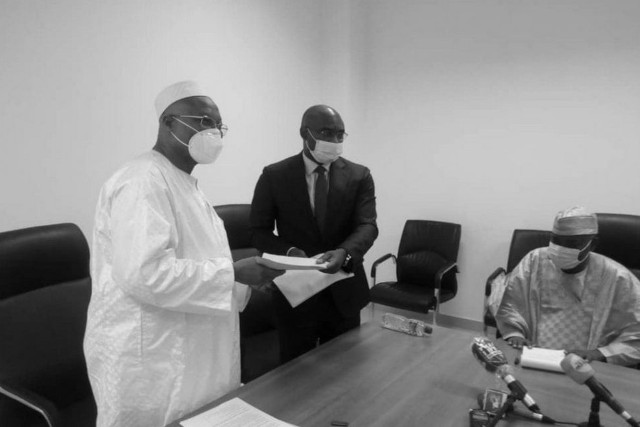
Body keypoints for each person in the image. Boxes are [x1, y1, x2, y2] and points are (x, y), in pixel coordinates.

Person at [84, 81, 283, 427]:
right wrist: (234, 274)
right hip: (151, 358)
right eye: (203, 121)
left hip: (188, 349)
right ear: (168, 123)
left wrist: (244, 282)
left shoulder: (184, 184)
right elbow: (145, 274)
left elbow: (202, 260)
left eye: (218, 125)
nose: (213, 132)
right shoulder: (142, 181)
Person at [250, 104, 378, 363]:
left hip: (343, 290)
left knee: (345, 369)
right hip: (296, 293)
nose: (334, 141)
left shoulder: (359, 175)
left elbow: (368, 226)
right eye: (326, 133)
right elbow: (258, 231)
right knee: (295, 373)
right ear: (304, 133)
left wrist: (344, 252)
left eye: (340, 135)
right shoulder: (275, 175)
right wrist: (289, 252)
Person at [496, 206, 640, 366]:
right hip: (532, 355)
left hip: (588, 364)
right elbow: (511, 305)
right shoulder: (534, 260)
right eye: (556, 240)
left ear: (592, 244)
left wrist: (600, 354)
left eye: (571, 243)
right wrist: (515, 334)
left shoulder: (618, 277)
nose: (561, 248)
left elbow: (636, 333)